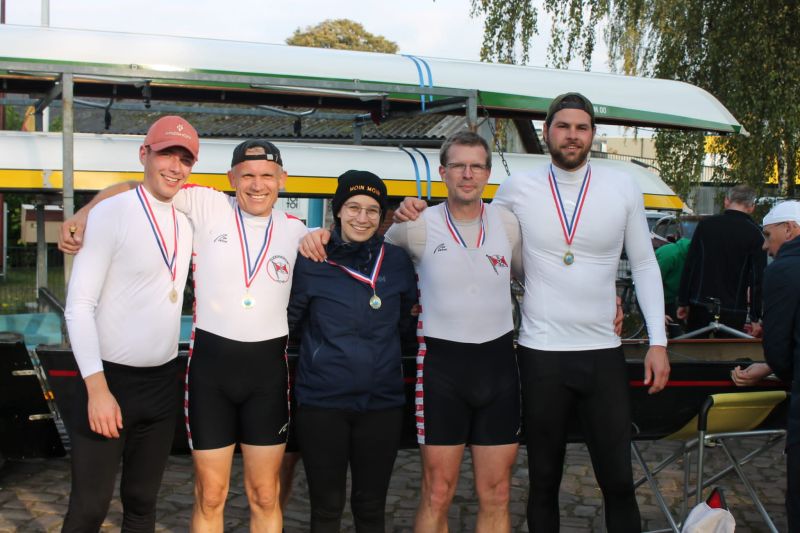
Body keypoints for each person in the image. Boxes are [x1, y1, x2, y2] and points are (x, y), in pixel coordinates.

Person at [394, 93, 670, 532]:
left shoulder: (622, 186)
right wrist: (408, 219)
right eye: (563, 126)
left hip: (602, 352)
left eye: (581, 127)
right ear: (546, 132)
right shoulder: (515, 190)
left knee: (618, 480)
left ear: (592, 134)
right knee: (542, 482)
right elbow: (478, 243)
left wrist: (658, 340)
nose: (572, 135)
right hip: (540, 353)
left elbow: (644, 264)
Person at [60, 139, 307, 532]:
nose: (257, 185)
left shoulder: (299, 232)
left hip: (267, 380)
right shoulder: (208, 204)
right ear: (232, 178)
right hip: (211, 376)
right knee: (210, 495)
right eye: (247, 175)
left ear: (283, 179)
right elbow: (137, 187)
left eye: (267, 176)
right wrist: (84, 214)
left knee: (265, 494)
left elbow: (353, 236)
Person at [61, 115, 198, 532]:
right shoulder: (110, 214)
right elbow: (78, 306)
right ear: (144, 154)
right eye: (166, 154)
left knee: (142, 503)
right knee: (90, 507)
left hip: (161, 384)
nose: (175, 167)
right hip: (108, 381)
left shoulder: (189, 213)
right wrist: (97, 389)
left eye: (185, 159)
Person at [288, 170, 417, 532]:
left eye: (372, 210)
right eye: (354, 208)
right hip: (322, 402)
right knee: (326, 508)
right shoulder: (313, 258)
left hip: (381, 403)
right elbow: (293, 322)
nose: (363, 218)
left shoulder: (397, 261)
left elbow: (405, 323)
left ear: (382, 215)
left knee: (371, 506)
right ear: (339, 211)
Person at [757, 200, 800, 530]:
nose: (765, 245)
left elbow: (778, 349)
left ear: (790, 229)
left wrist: (780, 371)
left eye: (768, 235)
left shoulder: (784, 269)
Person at [677, 184, 766, 337]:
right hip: (733, 309)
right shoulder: (756, 234)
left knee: (694, 349)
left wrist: (683, 301)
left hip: (700, 304)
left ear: (726, 201)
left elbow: (691, 265)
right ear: (752, 207)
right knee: (728, 351)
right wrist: (755, 316)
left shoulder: (705, 226)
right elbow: (757, 279)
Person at [656, 236, 691, 335]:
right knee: (657, 332)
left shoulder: (694, 258)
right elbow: (649, 285)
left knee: (677, 333)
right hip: (651, 300)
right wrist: (657, 314)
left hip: (669, 299)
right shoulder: (669, 256)